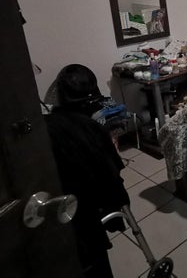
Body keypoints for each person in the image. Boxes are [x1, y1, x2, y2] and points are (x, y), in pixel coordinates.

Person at [45, 64, 129, 278]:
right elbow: (112, 171)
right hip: (88, 207)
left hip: (74, 204)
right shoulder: (91, 129)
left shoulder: (50, 125)